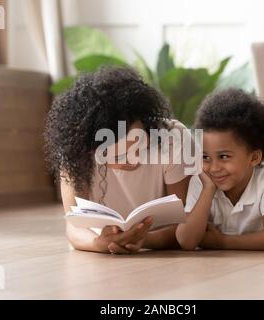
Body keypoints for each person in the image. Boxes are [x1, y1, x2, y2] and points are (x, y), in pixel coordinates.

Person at [44, 67, 191, 254]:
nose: (133, 158)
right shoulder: (76, 150)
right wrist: (100, 244)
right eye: (116, 156)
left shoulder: (172, 137)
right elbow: (74, 227)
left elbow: (181, 223)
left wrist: (143, 239)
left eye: (139, 144)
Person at [176, 88, 264, 251]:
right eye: (205, 157)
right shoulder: (202, 182)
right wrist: (208, 190)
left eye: (224, 156)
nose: (214, 168)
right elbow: (186, 241)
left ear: (254, 158)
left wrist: (221, 242)